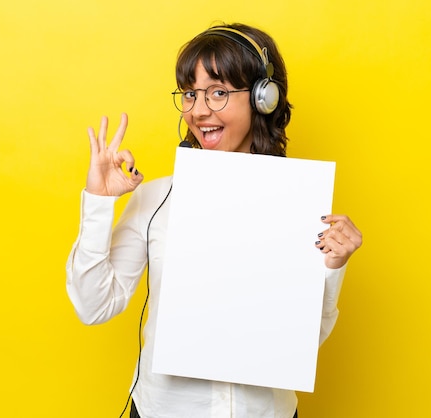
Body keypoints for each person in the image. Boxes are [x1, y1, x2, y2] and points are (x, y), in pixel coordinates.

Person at [66, 22, 363, 418]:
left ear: (264, 99)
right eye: (190, 94)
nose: (199, 109)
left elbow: (303, 344)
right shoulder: (156, 199)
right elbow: (92, 306)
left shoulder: (297, 204)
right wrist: (98, 204)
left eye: (218, 92)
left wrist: (332, 268)